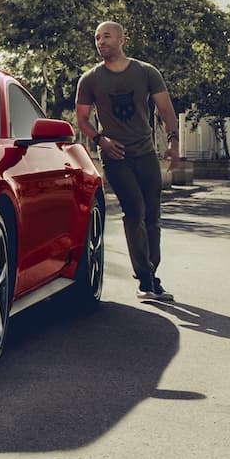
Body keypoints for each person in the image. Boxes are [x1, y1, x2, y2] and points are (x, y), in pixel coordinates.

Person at [74, 21, 180, 301]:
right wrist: (101, 141)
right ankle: (145, 280)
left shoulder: (146, 72)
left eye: (106, 36)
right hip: (115, 156)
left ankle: (151, 273)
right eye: (97, 38)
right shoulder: (90, 80)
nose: (100, 42)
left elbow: (166, 108)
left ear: (122, 39)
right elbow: (81, 120)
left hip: (145, 153)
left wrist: (173, 142)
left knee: (152, 216)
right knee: (134, 210)